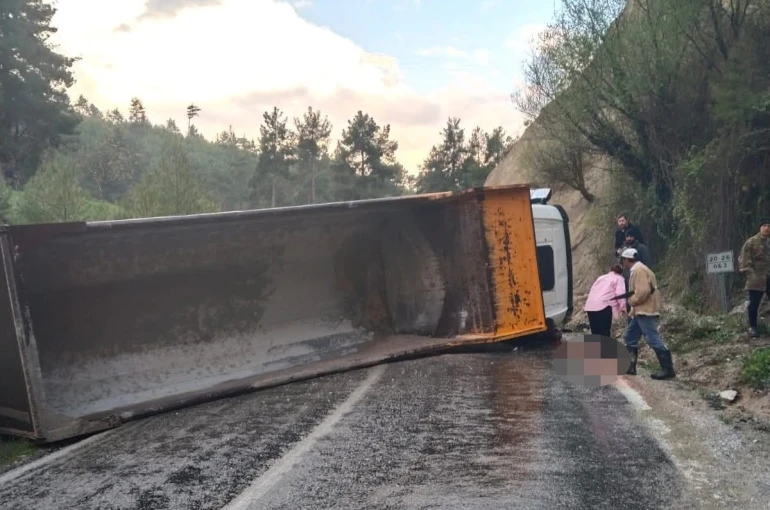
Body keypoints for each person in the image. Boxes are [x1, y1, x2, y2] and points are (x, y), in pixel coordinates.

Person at [620, 248, 675, 380]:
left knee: (652, 338)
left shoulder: (639, 270)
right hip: (640, 311)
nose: (622, 262)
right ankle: (630, 367)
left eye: (623, 259)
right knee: (629, 336)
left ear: (627, 260)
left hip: (646, 311)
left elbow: (642, 291)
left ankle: (668, 370)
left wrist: (632, 301)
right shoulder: (641, 269)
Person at [738, 218, 770, 338]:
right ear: (760, 228)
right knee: (754, 304)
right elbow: (744, 260)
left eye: (769, 226)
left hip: (768, 276)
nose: (767, 228)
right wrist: (751, 275)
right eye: (765, 226)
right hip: (756, 278)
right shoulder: (751, 242)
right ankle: (753, 327)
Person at [584, 265, 627, 337]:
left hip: (590, 306)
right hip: (603, 306)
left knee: (595, 332)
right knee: (604, 332)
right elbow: (620, 294)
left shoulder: (601, 277)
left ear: (610, 270)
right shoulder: (619, 278)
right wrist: (623, 308)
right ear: (621, 273)